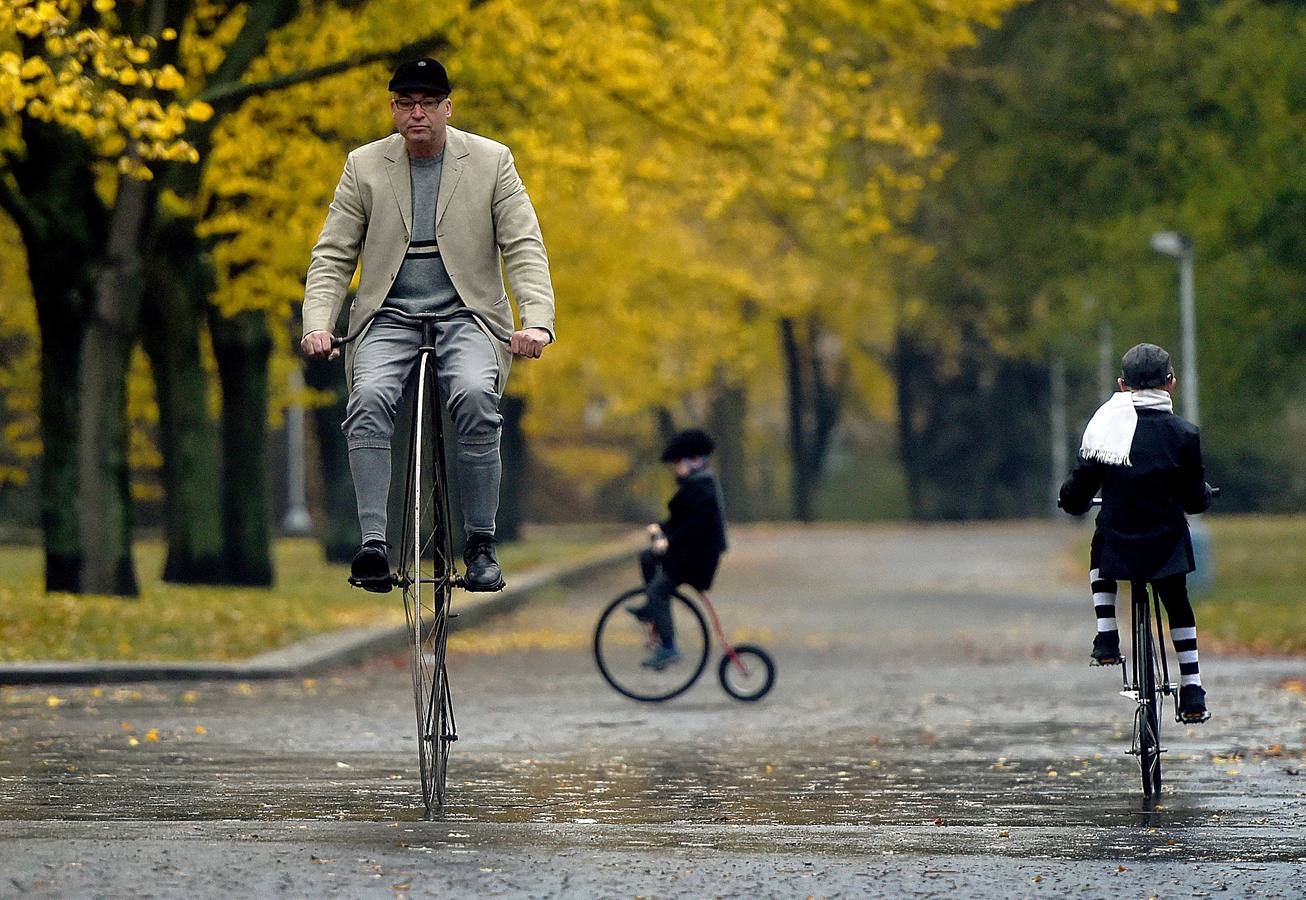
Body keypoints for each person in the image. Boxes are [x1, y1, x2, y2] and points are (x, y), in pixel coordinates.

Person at [300, 58, 555, 593]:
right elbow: (333, 252)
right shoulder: (364, 166)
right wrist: (317, 322)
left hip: (468, 315)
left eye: (428, 103)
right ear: (393, 109)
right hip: (388, 315)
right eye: (406, 103)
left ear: (447, 108)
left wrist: (536, 322)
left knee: (474, 396)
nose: (418, 113)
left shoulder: (491, 161)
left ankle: (481, 545)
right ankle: (373, 543)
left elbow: (523, 244)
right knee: (367, 396)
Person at [1060, 342, 1213, 722]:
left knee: (1100, 543)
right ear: (1171, 384)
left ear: (1122, 385)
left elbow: (1080, 488)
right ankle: (1192, 689)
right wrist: (1204, 496)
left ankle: (1107, 636)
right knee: (1177, 602)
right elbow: (1194, 500)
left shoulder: (1106, 431)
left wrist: (1071, 502)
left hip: (1120, 542)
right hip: (1165, 544)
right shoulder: (1184, 434)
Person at [630, 429, 729, 670]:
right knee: (647, 556)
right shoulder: (694, 487)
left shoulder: (702, 489)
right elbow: (680, 522)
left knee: (658, 591)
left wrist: (669, 541)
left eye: (678, 463)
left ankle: (669, 647)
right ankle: (652, 610)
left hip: (697, 560)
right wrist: (661, 528)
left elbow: (695, 528)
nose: (676, 468)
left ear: (695, 461)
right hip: (688, 554)